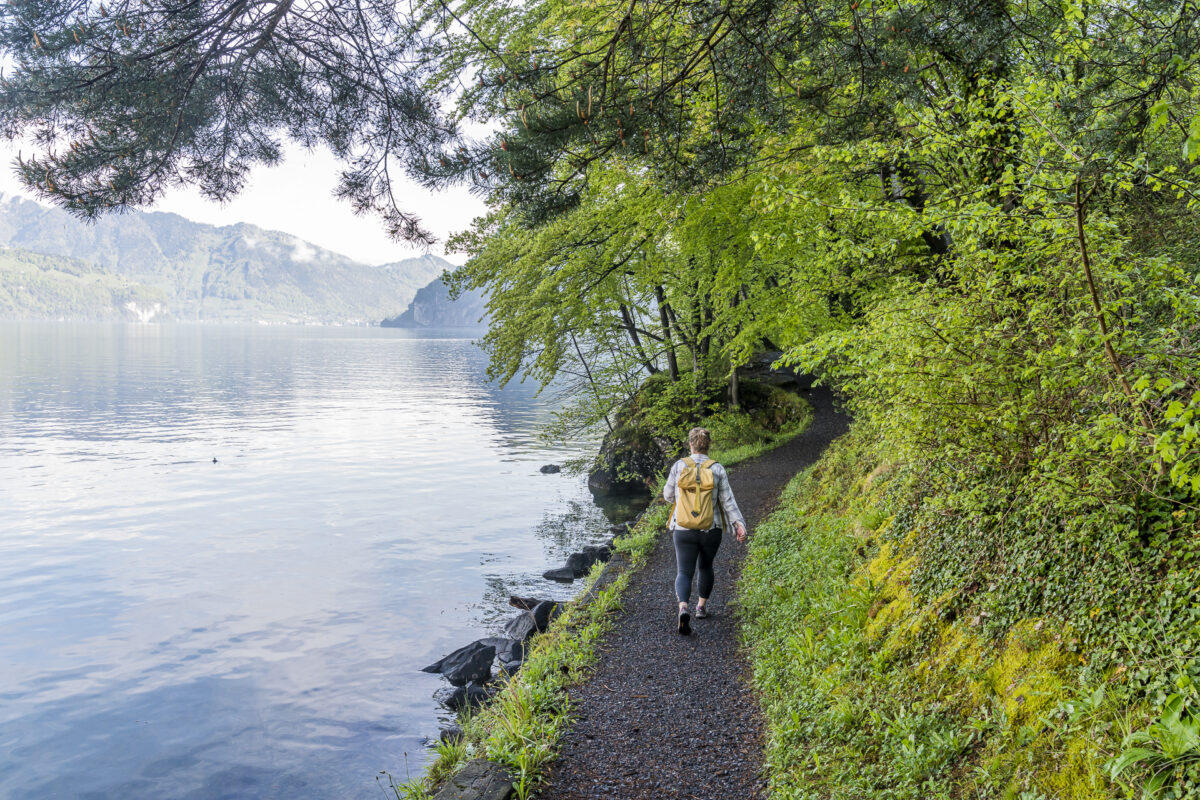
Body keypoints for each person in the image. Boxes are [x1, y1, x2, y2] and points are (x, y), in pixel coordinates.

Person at [663, 427, 747, 635]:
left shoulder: (679, 466)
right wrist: (739, 524)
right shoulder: (717, 469)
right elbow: (728, 501)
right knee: (706, 566)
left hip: (683, 528)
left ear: (690, 444)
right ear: (708, 445)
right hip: (712, 528)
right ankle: (701, 607)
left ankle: (683, 607)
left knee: (684, 571)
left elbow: (667, 495)